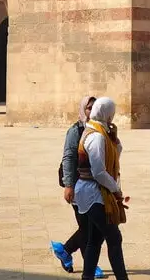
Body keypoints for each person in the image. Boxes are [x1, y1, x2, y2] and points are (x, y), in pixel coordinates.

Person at [51, 95, 105, 278]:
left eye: (95, 107)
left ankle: (65, 250)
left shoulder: (100, 128)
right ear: (83, 110)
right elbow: (68, 158)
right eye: (89, 108)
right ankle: (88, 264)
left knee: (92, 227)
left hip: (96, 185)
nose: (92, 111)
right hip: (78, 185)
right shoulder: (76, 130)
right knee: (88, 227)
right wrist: (69, 185)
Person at [75, 98, 129, 280]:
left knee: (95, 240)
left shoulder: (102, 132)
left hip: (94, 192)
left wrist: (114, 138)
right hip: (93, 193)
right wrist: (116, 189)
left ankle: (87, 277)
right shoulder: (96, 136)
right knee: (114, 238)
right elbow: (99, 172)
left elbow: (115, 152)